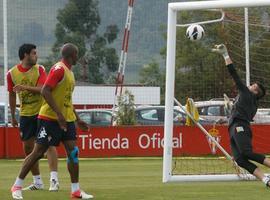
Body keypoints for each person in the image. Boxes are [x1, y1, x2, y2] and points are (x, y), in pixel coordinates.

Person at [11, 43, 93, 199]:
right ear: (70, 55)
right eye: (76, 54)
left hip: (67, 120)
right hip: (49, 119)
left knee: (73, 153)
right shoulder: (59, 69)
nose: (78, 57)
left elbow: (67, 99)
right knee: (38, 153)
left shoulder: (70, 72)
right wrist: (58, 114)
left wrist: (78, 119)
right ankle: (17, 186)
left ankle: (75, 190)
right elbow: (45, 90)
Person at [212, 44, 270, 187]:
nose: (249, 85)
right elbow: (242, 113)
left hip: (239, 126)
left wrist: (225, 55)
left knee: (246, 152)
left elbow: (234, 74)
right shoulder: (251, 102)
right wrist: (230, 111)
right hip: (235, 126)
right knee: (240, 159)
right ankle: (265, 179)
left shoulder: (246, 94)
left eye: (253, 86)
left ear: (255, 92)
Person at [7, 44, 59, 193]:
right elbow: (11, 94)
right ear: (25, 55)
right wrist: (13, 115)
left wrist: (24, 87)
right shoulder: (11, 74)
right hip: (25, 115)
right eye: (34, 53)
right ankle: (37, 182)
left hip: (42, 113)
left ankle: (54, 180)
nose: (37, 56)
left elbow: (43, 89)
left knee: (48, 144)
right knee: (28, 148)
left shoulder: (40, 69)